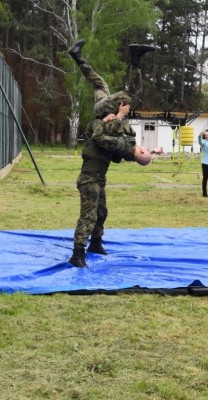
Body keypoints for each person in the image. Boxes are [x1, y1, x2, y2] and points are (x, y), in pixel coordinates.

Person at [67, 39, 161, 268]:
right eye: (142, 149)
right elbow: (135, 153)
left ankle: (94, 244)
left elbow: (103, 139)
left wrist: (117, 117)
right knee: (120, 91)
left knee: (99, 213)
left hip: (95, 176)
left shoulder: (122, 145)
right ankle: (78, 253)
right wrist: (152, 151)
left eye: (141, 151)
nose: (141, 148)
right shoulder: (126, 145)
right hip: (91, 177)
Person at [68, 39, 162, 166]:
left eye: (144, 149)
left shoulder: (121, 145)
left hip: (105, 111)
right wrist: (152, 151)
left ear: (140, 151)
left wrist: (120, 114)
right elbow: (139, 155)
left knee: (135, 94)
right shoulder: (129, 151)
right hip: (102, 107)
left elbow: (108, 131)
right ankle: (77, 56)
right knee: (100, 84)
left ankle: (135, 56)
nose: (144, 147)